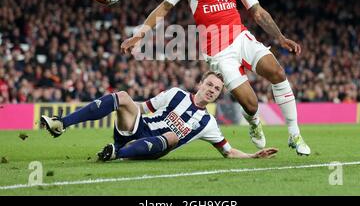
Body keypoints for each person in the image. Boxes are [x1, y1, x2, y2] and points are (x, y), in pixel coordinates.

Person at [121, 0, 310, 156]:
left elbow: (257, 13)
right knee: (250, 105)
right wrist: (139, 34)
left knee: (277, 72)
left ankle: (294, 134)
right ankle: (254, 122)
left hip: (241, 37)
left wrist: (280, 37)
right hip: (218, 51)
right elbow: (164, 7)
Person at [41, 71, 278, 161]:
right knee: (122, 96)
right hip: (138, 129)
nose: (212, 90)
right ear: (200, 83)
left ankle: (116, 153)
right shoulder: (176, 94)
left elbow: (228, 151)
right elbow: (143, 108)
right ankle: (62, 123)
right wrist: (122, 106)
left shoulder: (208, 123)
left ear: (218, 96)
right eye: (209, 84)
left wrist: (252, 156)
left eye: (216, 89)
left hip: (154, 146)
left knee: (173, 137)